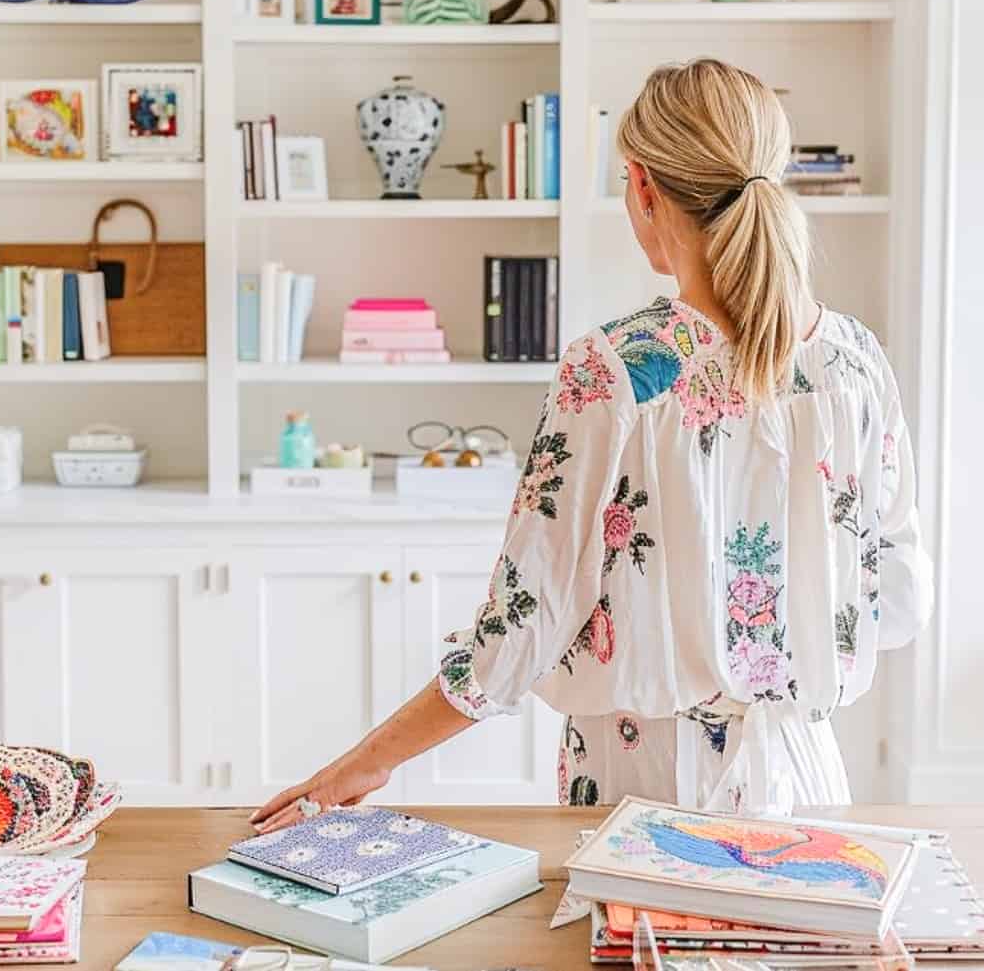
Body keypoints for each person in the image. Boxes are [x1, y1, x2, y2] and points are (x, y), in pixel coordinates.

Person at [250, 58, 933, 832]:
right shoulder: (856, 361)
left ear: (642, 187)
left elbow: (520, 631)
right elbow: (901, 599)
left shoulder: (612, 373)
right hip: (811, 783)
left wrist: (360, 763)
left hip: (645, 792)